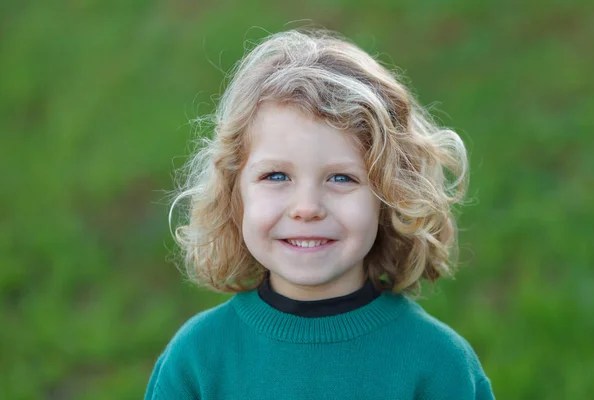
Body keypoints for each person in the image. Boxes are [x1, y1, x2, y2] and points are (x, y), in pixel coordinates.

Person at [144, 28, 495, 399]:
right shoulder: (197, 361)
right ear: (235, 194)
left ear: (391, 196)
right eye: (276, 175)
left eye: (341, 178)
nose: (307, 208)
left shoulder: (438, 365)